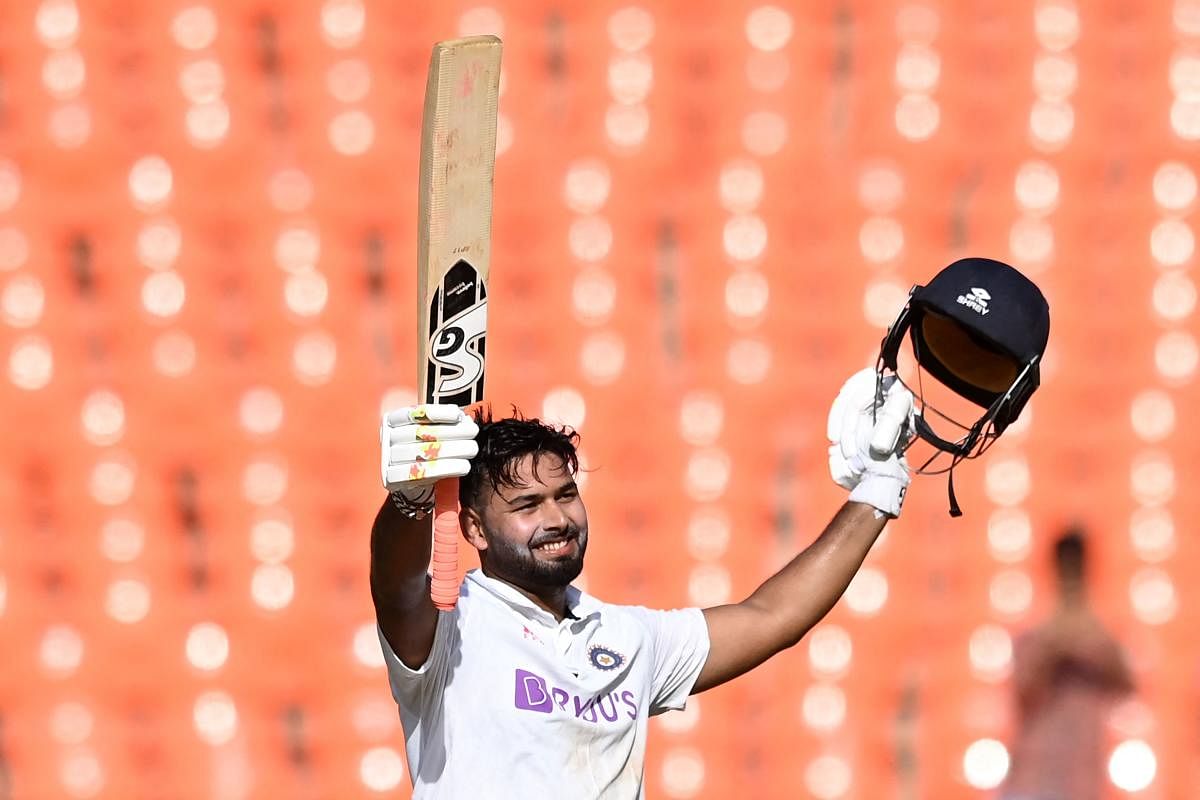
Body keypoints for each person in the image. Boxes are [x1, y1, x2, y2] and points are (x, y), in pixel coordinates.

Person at [370, 369, 913, 797]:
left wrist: (877, 491)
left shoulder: (624, 637)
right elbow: (397, 587)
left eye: (565, 495)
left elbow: (771, 617)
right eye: (528, 506)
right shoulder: (450, 626)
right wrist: (411, 501)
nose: (557, 518)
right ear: (473, 528)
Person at [1002, 528, 1135, 800]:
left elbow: (1127, 683)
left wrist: (1088, 651)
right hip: (1037, 768)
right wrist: (1052, 652)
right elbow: (1021, 695)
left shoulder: (1100, 630)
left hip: (1084, 769)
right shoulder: (1036, 628)